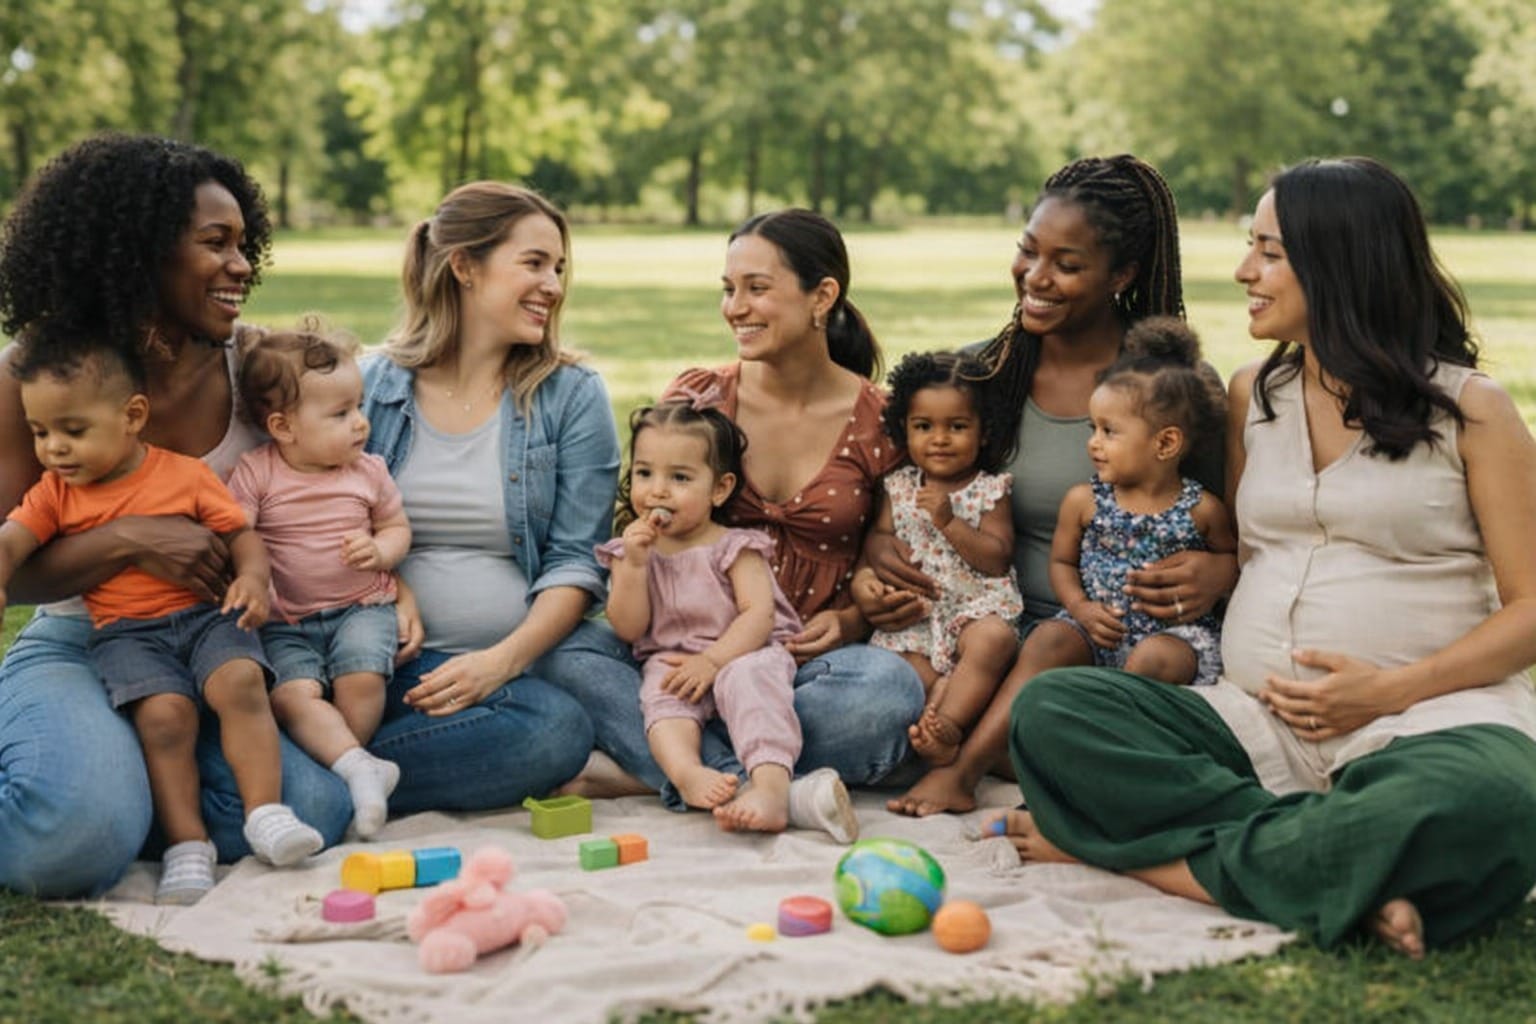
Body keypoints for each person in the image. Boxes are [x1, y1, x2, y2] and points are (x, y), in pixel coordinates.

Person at [1000, 157, 1536, 959]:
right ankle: (1341, 860)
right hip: (1255, 722)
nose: (1244, 269)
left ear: (1341, 262)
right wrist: (1216, 573)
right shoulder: (1254, 394)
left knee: (1499, 796)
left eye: (1270, 251)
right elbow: (1239, 552)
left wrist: (1388, 691)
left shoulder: (1472, 411)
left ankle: (1158, 861)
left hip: (1426, 718)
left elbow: (1532, 609)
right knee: (1054, 714)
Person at [0, 133, 350, 898]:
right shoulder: (40, 373)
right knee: (67, 846)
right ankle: (99, 774)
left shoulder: (257, 367)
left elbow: (369, 383)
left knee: (320, 802)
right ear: (138, 254)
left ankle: (133, 774)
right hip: (83, 635)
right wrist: (128, 539)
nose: (243, 266)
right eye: (215, 245)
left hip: (214, 641)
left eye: (243, 243)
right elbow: (13, 568)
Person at [540, 208, 922, 842]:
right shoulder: (698, 399)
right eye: (728, 288)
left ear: (822, 295)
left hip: (801, 667)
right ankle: (755, 779)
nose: (735, 307)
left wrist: (853, 618)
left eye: (757, 287)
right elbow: (649, 528)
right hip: (678, 660)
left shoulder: (881, 422)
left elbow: (890, 562)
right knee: (564, 653)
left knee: (886, 694)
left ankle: (661, 766)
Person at [880, 154, 1230, 817]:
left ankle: (1012, 751)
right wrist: (877, 561)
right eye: (1028, 252)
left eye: (1067, 265)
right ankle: (1016, 746)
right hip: (993, 637)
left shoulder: (1172, 391)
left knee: (1056, 722)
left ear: (1121, 275)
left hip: (1128, 640)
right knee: (892, 716)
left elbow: (1229, 522)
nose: (1035, 278)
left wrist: (1221, 571)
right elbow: (898, 495)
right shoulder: (979, 376)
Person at [0, 334, 324, 902]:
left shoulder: (182, 474)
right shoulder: (54, 494)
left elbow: (239, 534)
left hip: (206, 619)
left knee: (243, 683)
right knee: (166, 719)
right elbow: (11, 541)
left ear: (132, 416)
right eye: (41, 433)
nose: (54, 449)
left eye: (72, 431)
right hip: (127, 635)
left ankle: (265, 813)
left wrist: (252, 578)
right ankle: (186, 845)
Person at [358, 181, 603, 816]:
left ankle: (329, 778)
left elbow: (576, 562)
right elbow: (315, 519)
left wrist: (498, 663)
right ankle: (336, 770)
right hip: (367, 659)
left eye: (558, 268)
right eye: (533, 263)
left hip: (506, 678)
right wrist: (395, 594)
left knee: (556, 729)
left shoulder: (571, 396)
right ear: (464, 266)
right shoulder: (369, 388)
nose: (552, 284)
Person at [230, 320, 408, 838]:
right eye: (340, 413)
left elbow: (397, 526)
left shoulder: (367, 471)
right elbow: (235, 533)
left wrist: (379, 550)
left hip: (362, 607)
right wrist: (249, 575)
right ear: (284, 427)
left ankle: (351, 769)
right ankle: (358, 770)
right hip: (286, 621)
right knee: (291, 695)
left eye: (359, 407)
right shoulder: (258, 472)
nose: (360, 423)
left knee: (361, 681)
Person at [599, 398, 808, 833]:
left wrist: (714, 662)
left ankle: (770, 788)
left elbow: (758, 616)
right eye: (644, 473)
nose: (656, 490)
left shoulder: (734, 546)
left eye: (679, 477)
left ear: (719, 488)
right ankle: (686, 772)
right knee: (661, 697)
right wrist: (634, 567)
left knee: (751, 683)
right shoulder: (632, 551)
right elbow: (628, 628)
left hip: (741, 653)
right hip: (675, 659)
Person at [1029, 316, 1233, 688]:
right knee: (1048, 640)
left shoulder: (1201, 509)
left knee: (1156, 658)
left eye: (1109, 432)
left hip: (1172, 636)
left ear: (1166, 443)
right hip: (1093, 627)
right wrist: (1080, 608)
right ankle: (1009, 728)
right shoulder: (1085, 501)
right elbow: (1061, 561)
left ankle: (1117, 721)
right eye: (1093, 429)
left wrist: (1222, 570)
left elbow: (1231, 558)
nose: (1093, 442)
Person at [851, 350, 1021, 767]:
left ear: (983, 433)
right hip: (919, 618)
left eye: (957, 427)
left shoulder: (988, 490)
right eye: (923, 427)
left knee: (992, 641)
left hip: (973, 607)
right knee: (903, 671)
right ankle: (936, 725)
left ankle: (950, 723)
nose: (940, 439)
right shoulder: (899, 486)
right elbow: (881, 539)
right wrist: (871, 577)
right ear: (903, 430)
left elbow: (997, 558)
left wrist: (950, 521)